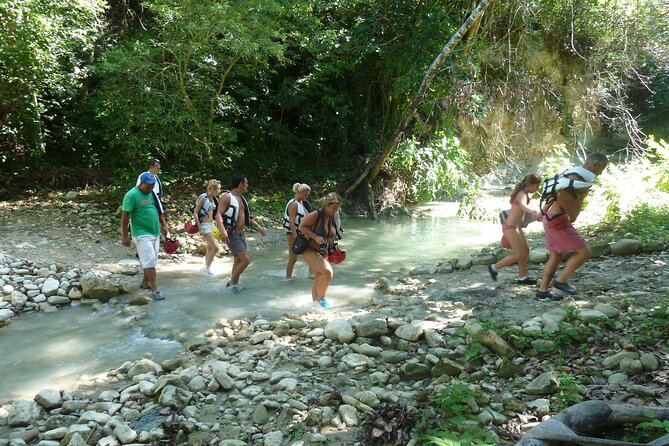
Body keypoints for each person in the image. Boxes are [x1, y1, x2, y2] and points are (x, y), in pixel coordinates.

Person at [536, 153, 608, 300]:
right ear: (595, 164)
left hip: (552, 219)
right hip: (558, 222)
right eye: (601, 168)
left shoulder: (576, 176)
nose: (601, 172)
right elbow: (557, 193)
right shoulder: (576, 178)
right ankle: (561, 281)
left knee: (556, 255)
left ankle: (543, 291)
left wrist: (543, 212)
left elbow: (555, 193)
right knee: (584, 252)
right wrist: (542, 211)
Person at [215, 173, 266, 292]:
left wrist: (259, 228)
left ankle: (234, 285)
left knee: (238, 260)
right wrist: (223, 231)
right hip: (231, 233)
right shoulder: (227, 197)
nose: (247, 185)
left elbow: (248, 217)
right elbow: (218, 215)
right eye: (246, 183)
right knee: (246, 260)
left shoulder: (242, 199)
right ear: (240, 184)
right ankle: (231, 283)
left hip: (241, 234)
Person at [121, 172, 168, 301]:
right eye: (147, 187)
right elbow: (125, 217)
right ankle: (155, 290)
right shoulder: (131, 195)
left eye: (152, 186)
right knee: (150, 260)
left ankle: (144, 284)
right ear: (141, 184)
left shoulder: (152, 193)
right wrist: (125, 235)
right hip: (141, 233)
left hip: (155, 231)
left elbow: (159, 210)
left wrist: (164, 225)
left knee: (151, 261)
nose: (150, 189)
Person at [488, 173, 542, 284]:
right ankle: (493, 267)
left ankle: (522, 277)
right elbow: (522, 205)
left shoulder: (524, 194)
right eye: (537, 185)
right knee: (519, 254)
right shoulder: (522, 194)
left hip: (517, 227)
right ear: (531, 185)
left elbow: (521, 214)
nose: (538, 188)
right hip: (510, 228)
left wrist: (532, 218)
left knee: (526, 251)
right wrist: (532, 211)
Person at [298, 192, 342, 308]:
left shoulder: (331, 217)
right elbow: (301, 227)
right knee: (328, 272)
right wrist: (315, 237)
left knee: (318, 276)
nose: (335, 211)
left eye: (337, 209)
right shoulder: (315, 214)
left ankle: (315, 304)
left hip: (323, 250)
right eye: (333, 208)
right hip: (309, 249)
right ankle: (322, 300)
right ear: (326, 205)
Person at [283, 182, 311, 279]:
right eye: (305, 195)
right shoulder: (293, 204)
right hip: (292, 234)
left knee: (310, 253)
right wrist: (296, 237)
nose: (306, 197)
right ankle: (287, 278)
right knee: (293, 258)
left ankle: (311, 275)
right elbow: (291, 221)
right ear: (299, 192)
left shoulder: (301, 203)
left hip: (301, 233)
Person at [194, 179, 222, 276]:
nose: (219, 191)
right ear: (212, 189)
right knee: (216, 247)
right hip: (204, 226)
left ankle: (206, 267)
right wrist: (199, 227)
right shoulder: (203, 198)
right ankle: (207, 268)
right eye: (218, 189)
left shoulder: (213, 199)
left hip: (211, 225)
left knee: (210, 248)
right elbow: (195, 213)